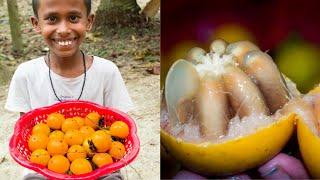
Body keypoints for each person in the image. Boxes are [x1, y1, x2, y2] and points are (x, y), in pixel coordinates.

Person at [5, 0, 133, 179]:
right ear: (36, 24)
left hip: (99, 169)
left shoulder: (107, 71)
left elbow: (118, 132)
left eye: (73, 17)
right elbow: (28, 134)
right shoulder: (26, 74)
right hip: (43, 170)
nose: (63, 29)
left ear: (89, 21)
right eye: (52, 18)